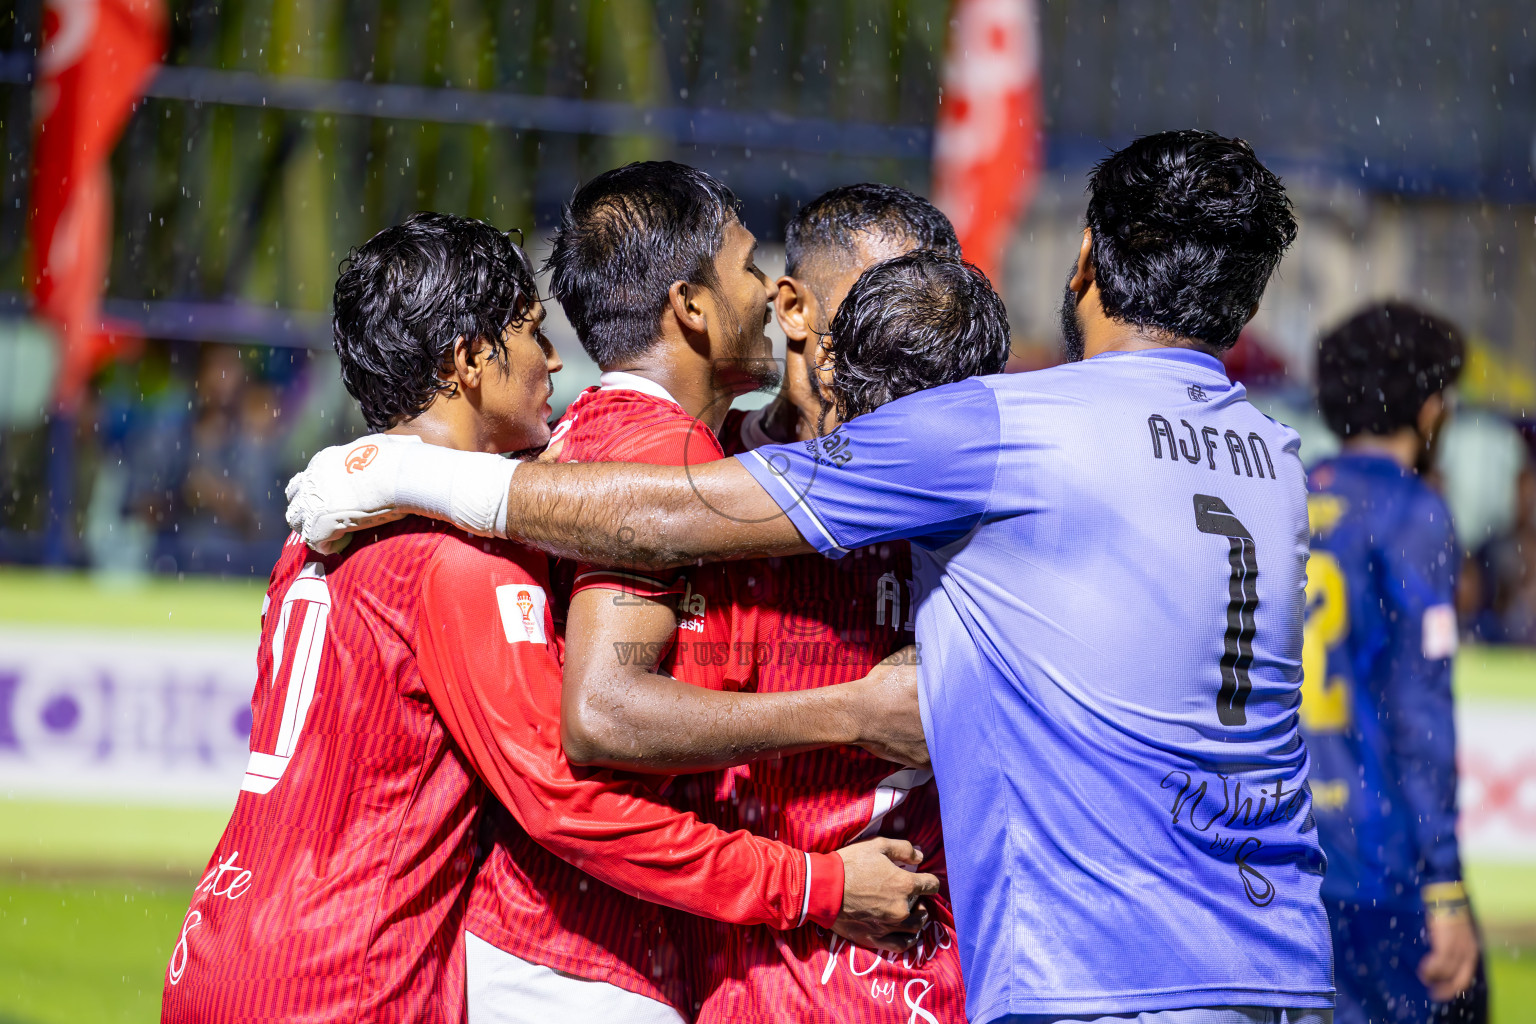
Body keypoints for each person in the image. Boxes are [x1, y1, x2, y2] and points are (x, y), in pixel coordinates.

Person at [286, 130, 1335, 1023]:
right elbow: (610, 686)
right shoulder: (1275, 462)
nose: (893, 353)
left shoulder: (1007, 429)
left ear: (1084, 268)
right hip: (1276, 951)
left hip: (1102, 973)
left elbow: (676, 516)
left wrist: (418, 473)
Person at [161, 212, 934, 1024]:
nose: (556, 360)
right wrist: (816, 881)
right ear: (469, 362)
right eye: (531, 334)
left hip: (222, 938)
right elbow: (570, 801)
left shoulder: (322, 527)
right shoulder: (458, 562)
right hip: (343, 978)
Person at [452, 163, 933, 1024]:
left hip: (611, 953)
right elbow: (605, 714)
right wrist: (855, 712)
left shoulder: (612, 439)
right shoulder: (666, 459)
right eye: (748, 269)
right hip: (581, 965)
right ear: (696, 307)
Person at [671, 186, 981, 1023]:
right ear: (795, 308)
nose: (908, 336)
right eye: (881, 305)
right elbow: (602, 726)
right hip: (701, 960)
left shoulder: (965, 498)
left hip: (892, 973)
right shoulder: (685, 474)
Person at [1304, 302, 1485, 1024]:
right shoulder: (1413, 511)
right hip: (1379, 855)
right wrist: (1444, 885)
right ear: (1431, 405)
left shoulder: (1287, 490)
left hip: (1281, 846)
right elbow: (1419, 711)